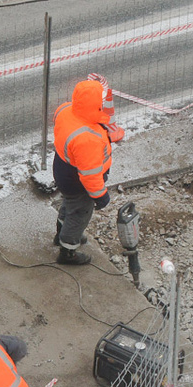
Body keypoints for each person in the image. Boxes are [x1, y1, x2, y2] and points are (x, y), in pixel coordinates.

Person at [52, 74, 126, 265]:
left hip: (62, 169)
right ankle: (68, 250)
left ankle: (61, 233)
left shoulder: (66, 110)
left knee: (69, 205)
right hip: (77, 181)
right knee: (79, 214)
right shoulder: (88, 138)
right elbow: (90, 175)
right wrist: (100, 196)